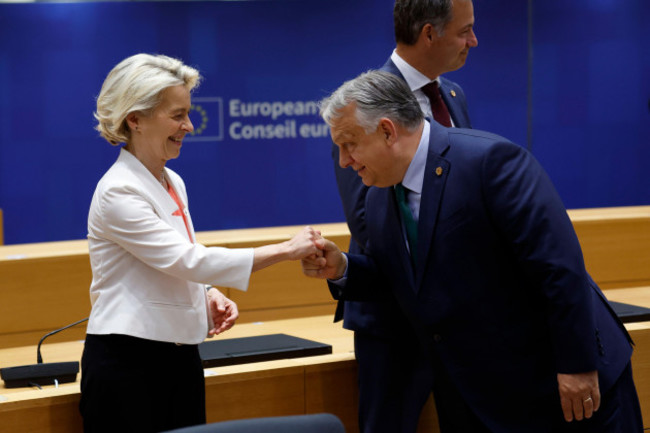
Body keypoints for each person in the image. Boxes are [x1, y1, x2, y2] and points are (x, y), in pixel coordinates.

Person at [304, 70, 644, 432]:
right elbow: (402, 280)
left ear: (388, 131)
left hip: (561, 383)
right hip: (478, 395)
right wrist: (342, 267)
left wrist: (576, 366)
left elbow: (558, 269)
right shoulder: (378, 196)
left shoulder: (490, 162)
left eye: (349, 144)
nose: (343, 161)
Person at [79, 53, 322, 433]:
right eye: (177, 115)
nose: (189, 126)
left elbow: (176, 263)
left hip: (180, 356)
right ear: (135, 119)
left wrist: (205, 292)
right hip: (127, 362)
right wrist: (286, 250)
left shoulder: (172, 180)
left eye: (188, 113)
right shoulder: (117, 190)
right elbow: (187, 259)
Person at [331, 1, 477, 431]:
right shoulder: (362, 101)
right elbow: (367, 221)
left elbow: (466, 191)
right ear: (430, 33)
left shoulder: (453, 95)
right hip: (392, 315)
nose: (474, 40)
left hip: (457, 315)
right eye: (464, 30)